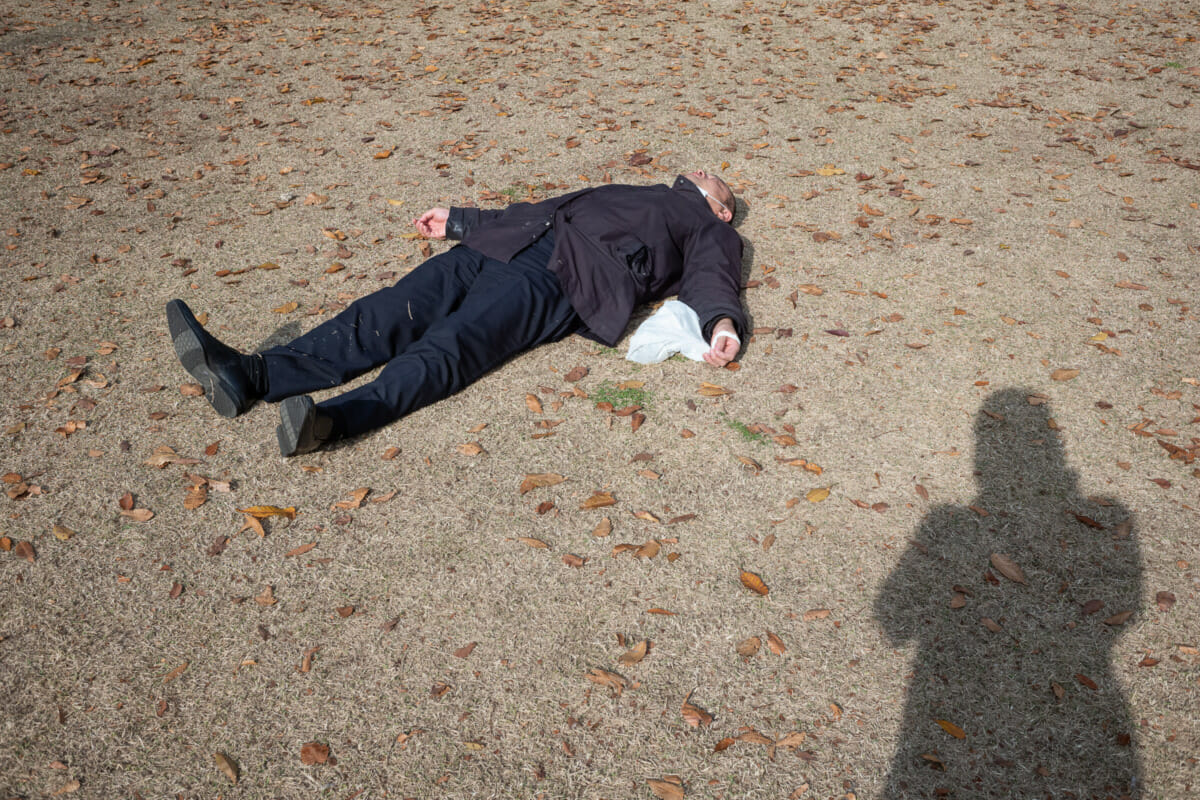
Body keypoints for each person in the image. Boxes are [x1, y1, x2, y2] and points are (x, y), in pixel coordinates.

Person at [166, 170, 747, 456]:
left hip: (566, 278)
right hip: (506, 245)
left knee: (454, 345)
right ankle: (254, 375)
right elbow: (543, 208)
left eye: (709, 179)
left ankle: (336, 420)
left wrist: (721, 324)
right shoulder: (637, 189)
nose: (697, 172)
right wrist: (463, 222)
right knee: (385, 311)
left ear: (720, 210)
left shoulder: (705, 226)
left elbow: (713, 278)